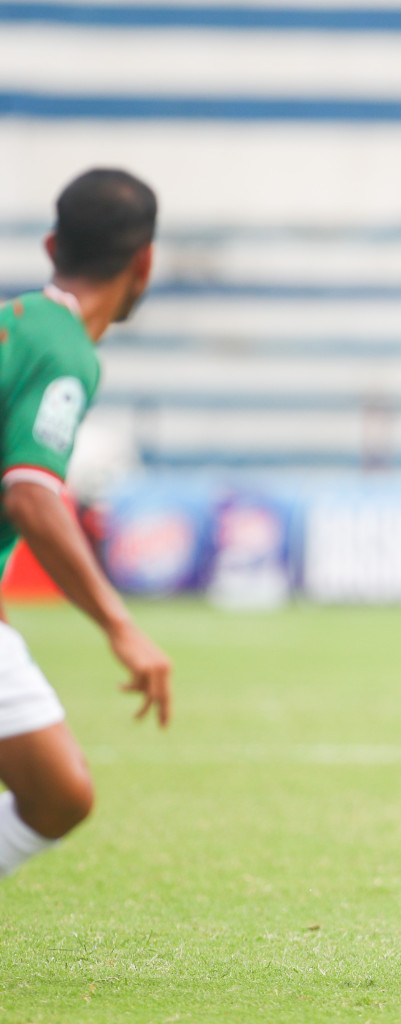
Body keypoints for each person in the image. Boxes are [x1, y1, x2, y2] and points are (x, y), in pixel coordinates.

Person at [0, 169, 175, 882]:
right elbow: (32, 495)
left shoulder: (16, 325)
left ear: (51, 245)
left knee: (60, 791)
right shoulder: (64, 351)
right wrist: (120, 625)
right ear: (145, 263)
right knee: (58, 794)